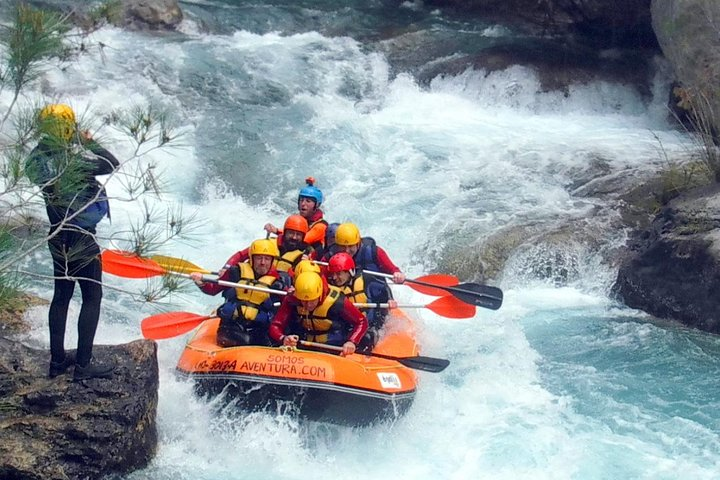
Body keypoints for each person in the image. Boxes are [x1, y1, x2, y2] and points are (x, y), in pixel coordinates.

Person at [25, 104, 119, 381]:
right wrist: (87, 141)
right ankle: (83, 365)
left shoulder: (37, 158)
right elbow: (112, 162)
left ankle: (56, 361)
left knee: (62, 295)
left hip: (56, 235)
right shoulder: (73, 161)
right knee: (92, 297)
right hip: (82, 237)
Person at [190, 239, 286, 347]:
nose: (263, 262)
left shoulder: (277, 283)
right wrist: (200, 282)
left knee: (267, 343)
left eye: (267, 259)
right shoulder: (236, 272)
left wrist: (293, 294)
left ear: (272, 261)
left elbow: (287, 306)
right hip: (231, 326)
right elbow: (213, 289)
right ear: (251, 259)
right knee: (243, 340)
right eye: (259, 258)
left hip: (257, 329)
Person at [269, 272, 368, 357]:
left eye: (312, 300)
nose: (308, 305)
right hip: (304, 345)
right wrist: (283, 338)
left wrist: (352, 342)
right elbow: (276, 325)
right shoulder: (292, 300)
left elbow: (361, 321)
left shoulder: (337, 302)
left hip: (333, 346)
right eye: (304, 301)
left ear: (320, 295)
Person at [333, 223, 406, 329]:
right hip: (349, 302)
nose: (347, 251)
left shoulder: (374, 252)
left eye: (350, 246)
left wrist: (398, 275)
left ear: (358, 243)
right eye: (343, 247)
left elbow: (392, 270)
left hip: (377, 297)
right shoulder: (332, 255)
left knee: (376, 321)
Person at [326, 252, 397, 349]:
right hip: (349, 324)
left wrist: (390, 299)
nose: (334, 277)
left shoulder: (366, 279)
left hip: (371, 323)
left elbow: (384, 288)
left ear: (350, 272)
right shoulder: (331, 287)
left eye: (338, 273)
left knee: (367, 338)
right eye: (332, 274)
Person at [264, 177, 327, 251]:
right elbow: (293, 234)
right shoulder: (300, 219)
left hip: (309, 259)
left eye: (308, 201)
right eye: (301, 200)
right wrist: (275, 230)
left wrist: (277, 232)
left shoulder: (321, 226)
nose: (303, 204)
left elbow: (300, 240)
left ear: (317, 205)